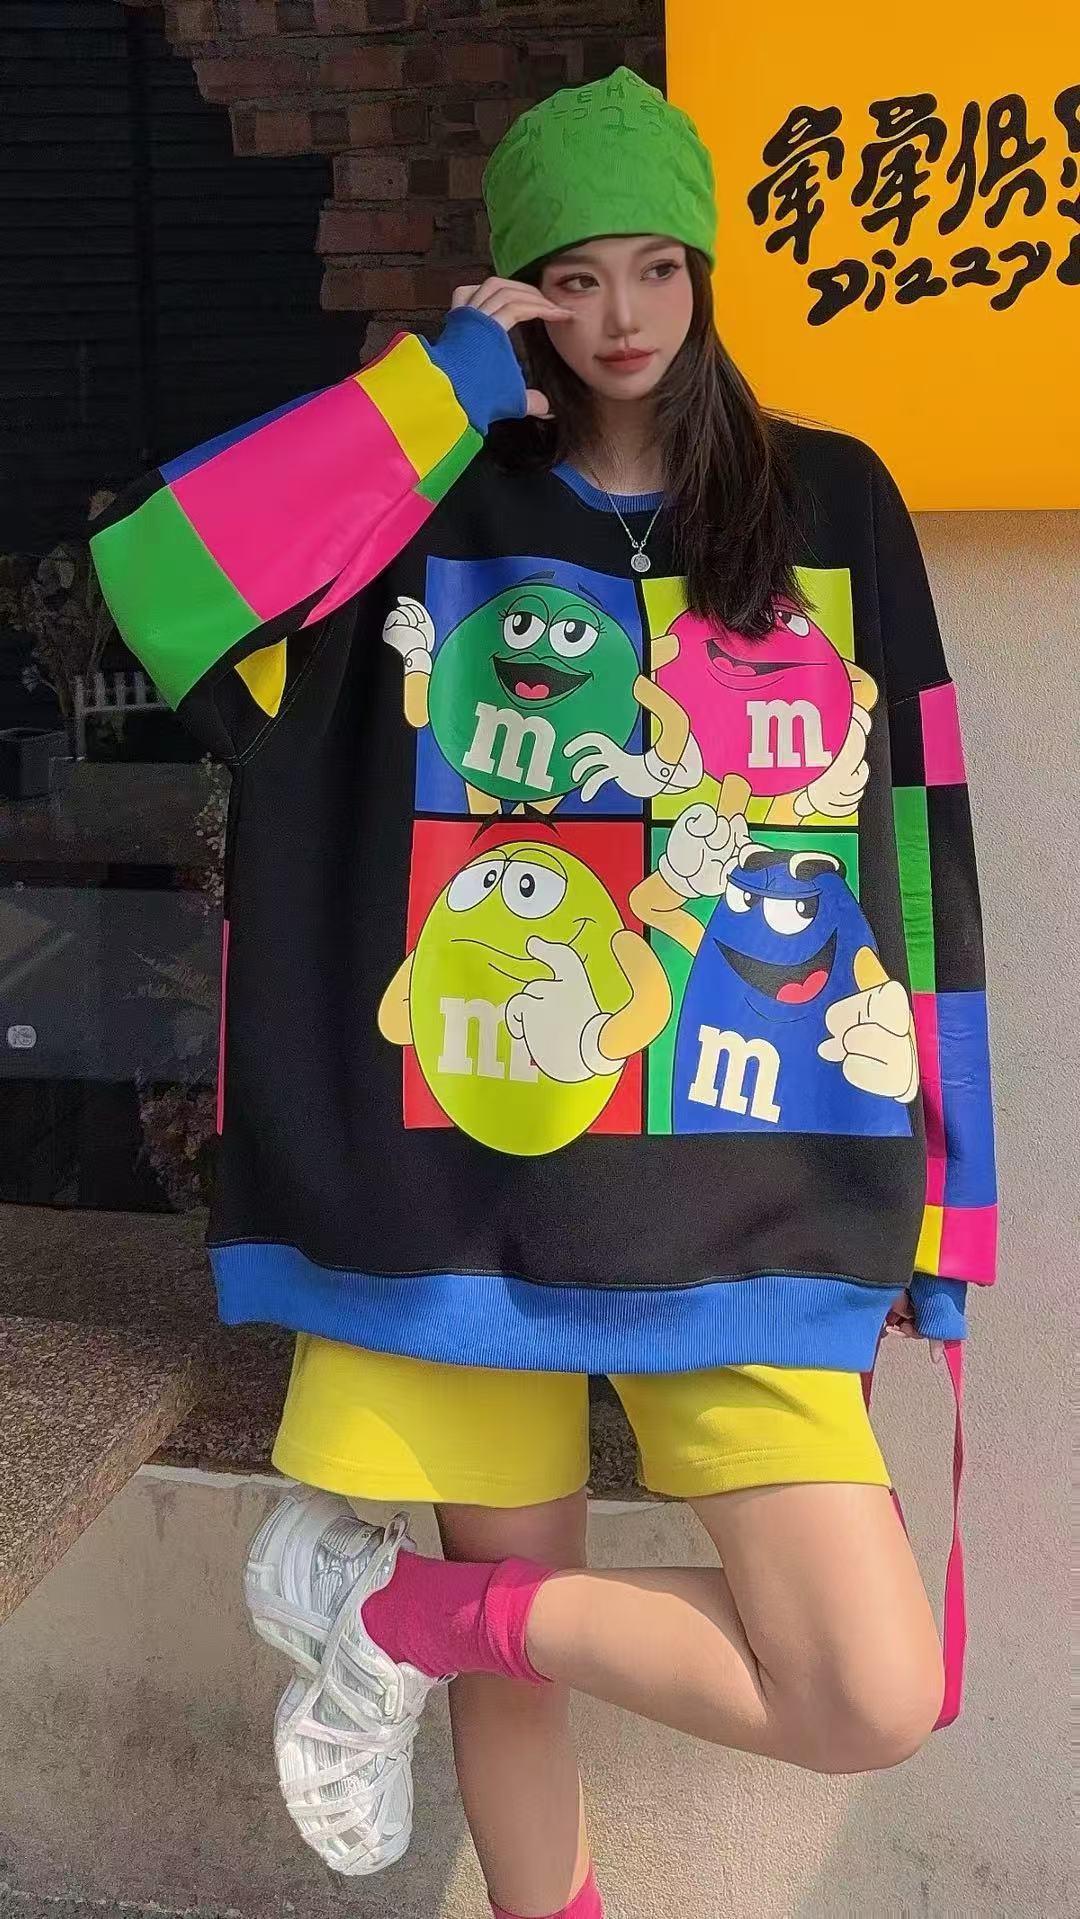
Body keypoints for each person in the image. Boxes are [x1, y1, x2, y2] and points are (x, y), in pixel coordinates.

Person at [90, 66, 996, 1919]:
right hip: (465, 1183)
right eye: (572, 278)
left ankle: (405, 1614)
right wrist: (438, 388)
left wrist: (949, 1187)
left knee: (868, 1690)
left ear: (706, 271)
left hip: (759, 1175)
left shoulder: (830, 498)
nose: (622, 315)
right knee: (519, 1700)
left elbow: (918, 842)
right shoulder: (426, 504)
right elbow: (160, 581)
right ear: (516, 291)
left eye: (656, 266)